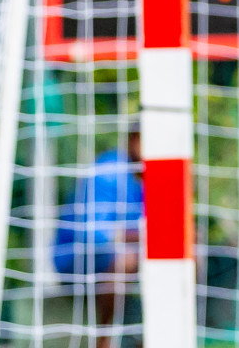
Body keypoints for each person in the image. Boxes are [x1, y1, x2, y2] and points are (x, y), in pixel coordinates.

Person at [53, 129, 143, 348]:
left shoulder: (156, 175)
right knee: (126, 259)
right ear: (133, 139)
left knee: (187, 251)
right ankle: (104, 342)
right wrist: (141, 235)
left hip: (132, 256)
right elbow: (93, 232)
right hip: (76, 258)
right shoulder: (108, 170)